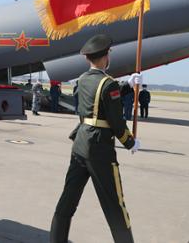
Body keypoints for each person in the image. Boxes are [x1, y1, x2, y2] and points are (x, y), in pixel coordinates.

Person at [50, 34, 141, 243]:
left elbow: (96, 98)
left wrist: (127, 84)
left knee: (68, 199)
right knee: (114, 204)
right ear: (105, 57)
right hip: (100, 149)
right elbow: (116, 121)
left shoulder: (81, 80)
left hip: (80, 143)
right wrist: (130, 142)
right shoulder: (107, 83)